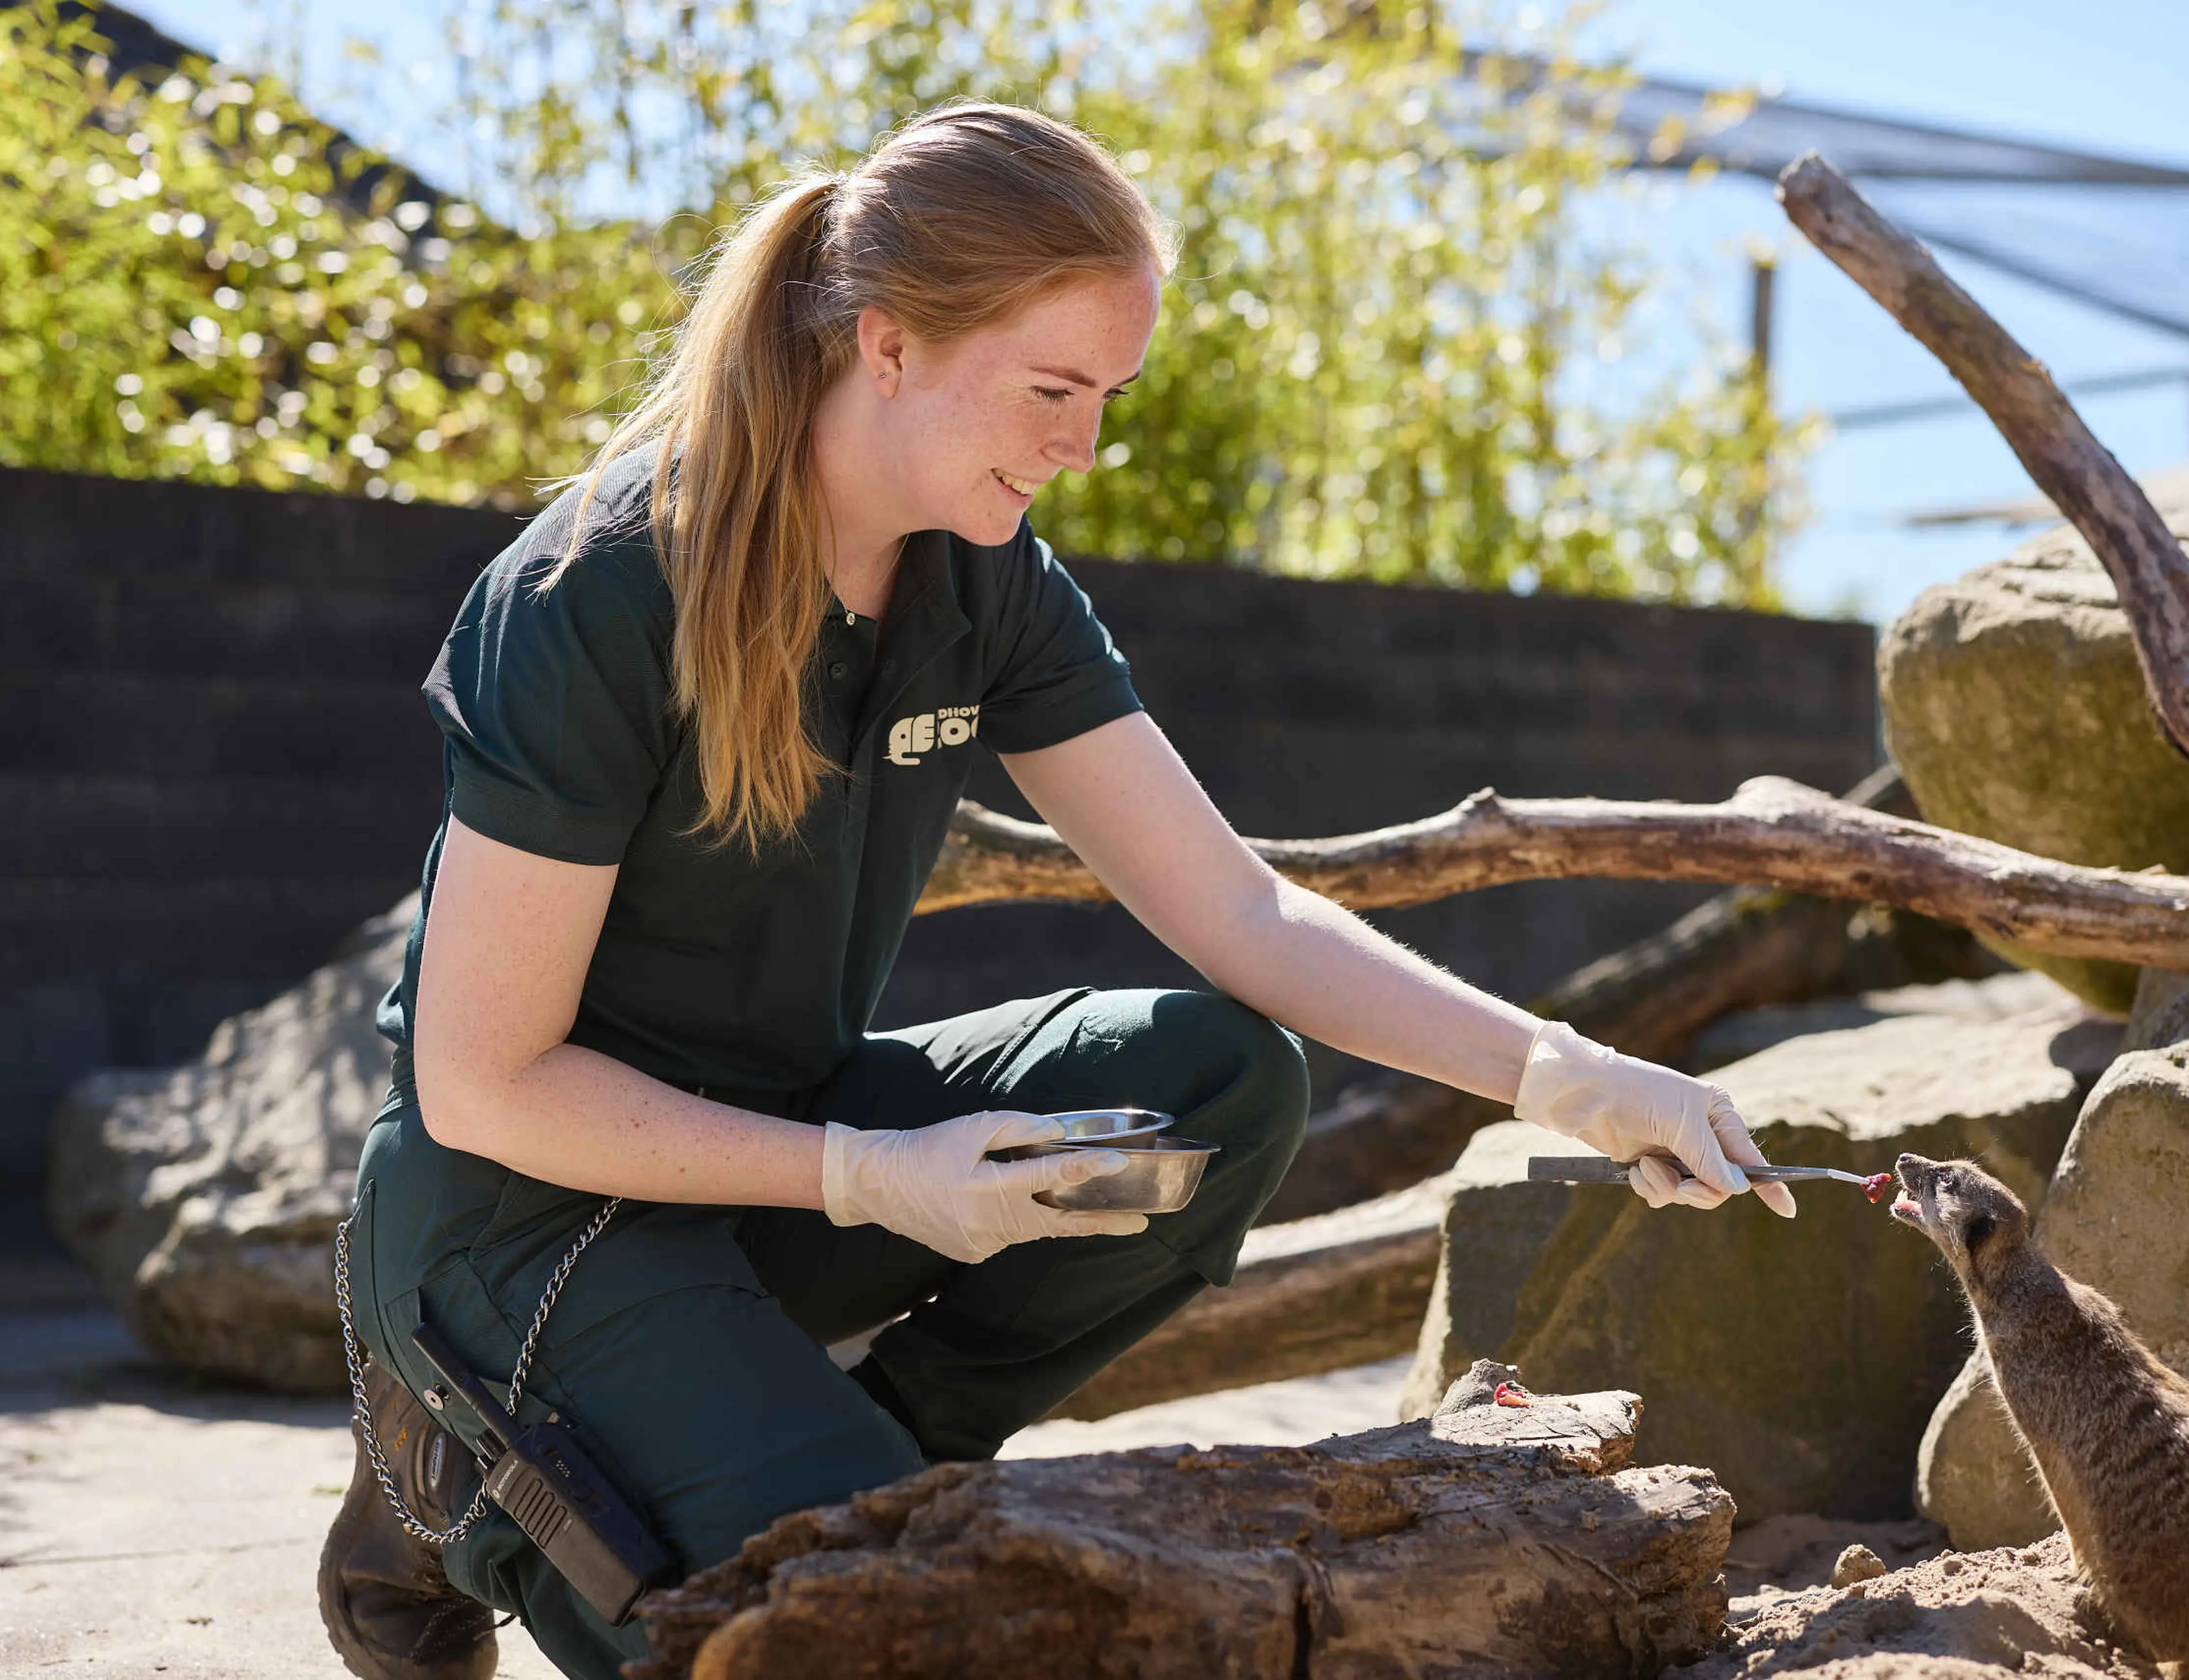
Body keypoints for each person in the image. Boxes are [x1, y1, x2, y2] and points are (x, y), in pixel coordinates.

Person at [317, 99, 1795, 1680]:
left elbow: (1243, 917)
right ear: (886, 345)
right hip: (525, 1221)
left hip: (775, 1174)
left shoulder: (983, 571)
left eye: (1108, 395)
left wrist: (1570, 1078)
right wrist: (873, 1178)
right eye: (1053, 389)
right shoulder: (592, 594)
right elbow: (483, 1083)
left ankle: (861, 1469)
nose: (1085, 443)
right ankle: (457, 1483)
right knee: (850, 1649)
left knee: (1211, 1086)